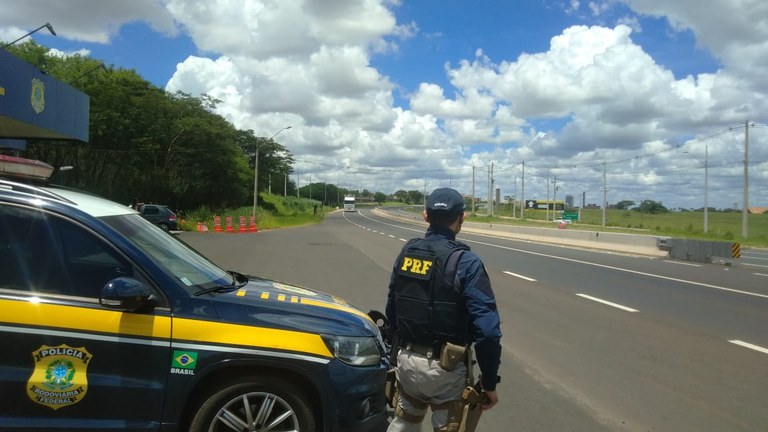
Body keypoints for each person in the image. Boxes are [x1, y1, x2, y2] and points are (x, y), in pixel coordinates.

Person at [385, 187, 502, 432]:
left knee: (403, 423)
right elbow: (488, 331)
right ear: (462, 218)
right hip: (446, 370)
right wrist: (489, 383)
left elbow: (392, 309)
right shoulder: (467, 262)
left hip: (407, 363)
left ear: (425, 216)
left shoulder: (407, 252)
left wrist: (396, 355)